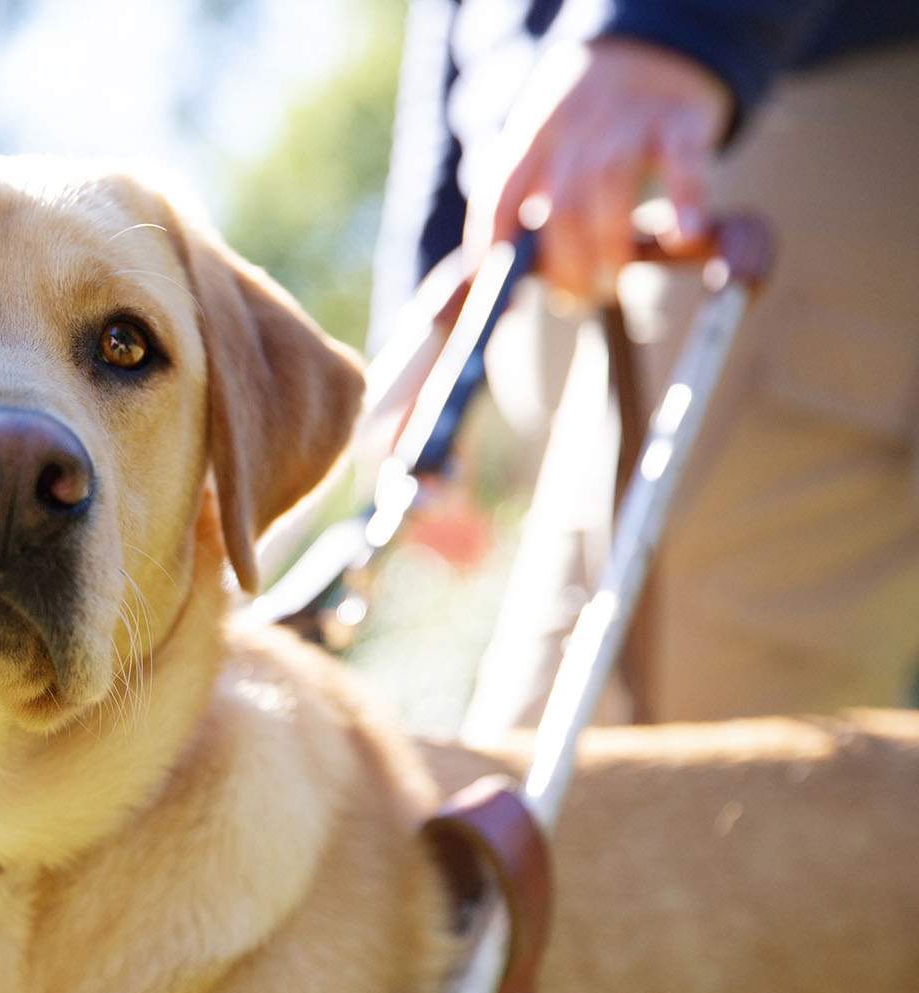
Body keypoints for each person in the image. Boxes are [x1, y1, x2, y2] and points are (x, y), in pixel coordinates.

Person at [371, 1, 919, 734]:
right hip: (553, 199)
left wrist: (669, 27)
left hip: (773, 97)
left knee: (595, 789)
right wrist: (431, 285)